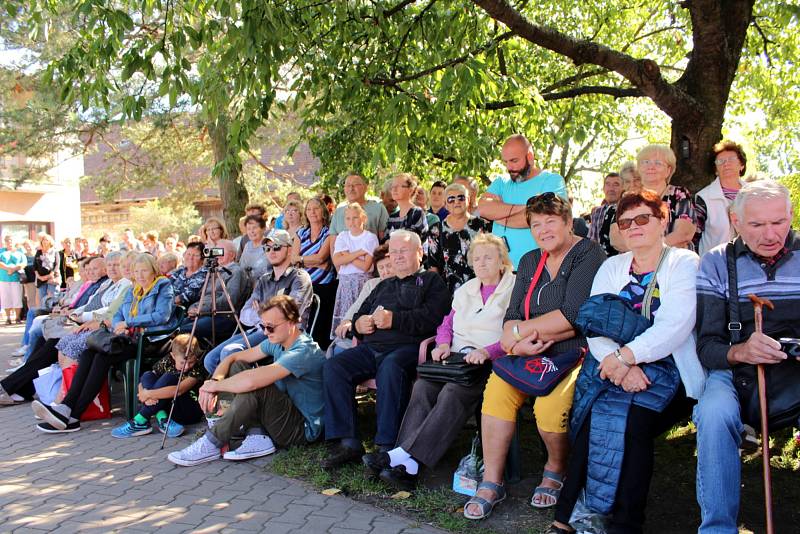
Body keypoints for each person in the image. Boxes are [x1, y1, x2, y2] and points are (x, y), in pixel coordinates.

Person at [548, 190, 703, 534]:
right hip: (615, 369)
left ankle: (625, 523)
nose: (634, 227)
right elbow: (593, 324)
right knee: (592, 416)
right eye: (625, 222)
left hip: (670, 368)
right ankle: (569, 518)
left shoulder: (683, 262)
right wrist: (620, 366)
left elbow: (676, 324)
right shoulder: (612, 266)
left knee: (633, 424)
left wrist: (626, 356)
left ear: (663, 221)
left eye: (643, 218)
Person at [464, 193, 605, 520]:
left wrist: (519, 334)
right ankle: (491, 481)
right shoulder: (529, 261)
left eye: (551, 221)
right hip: (526, 354)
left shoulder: (588, 253)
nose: (543, 230)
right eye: (536, 224)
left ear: (568, 222)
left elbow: (572, 317)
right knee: (495, 396)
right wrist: (516, 343)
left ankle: (556, 468)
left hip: (573, 354)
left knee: (549, 410)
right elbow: (510, 317)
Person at [364, 234, 515, 490]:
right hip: (455, 360)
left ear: (502, 261)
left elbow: (516, 332)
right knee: (423, 387)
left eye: (488, 257)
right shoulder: (467, 288)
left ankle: (403, 458)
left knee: (453, 393)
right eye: (476, 258)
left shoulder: (514, 288)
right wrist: (443, 343)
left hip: (490, 361)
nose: (481, 263)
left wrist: (489, 351)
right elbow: (446, 323)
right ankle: (406, 465)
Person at [693, 180, 799, 533]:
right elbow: (707, 347)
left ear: (791, 215)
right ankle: (717, 528)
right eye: (756, 225)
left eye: (779, 222)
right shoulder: (716, 263)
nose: (771, 234)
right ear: (735, 221)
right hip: (736, 370)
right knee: (713, 411)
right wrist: (741, 350)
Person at [321, 230, 451, 469]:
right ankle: (347, 442)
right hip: (372, 348)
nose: (398, 256)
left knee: (391, 367)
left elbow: (435, 318)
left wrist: (395, 320)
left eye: (404, 251)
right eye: (394, 252)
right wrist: (359, 324)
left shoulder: (432, 282)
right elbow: (361, 312)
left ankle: (386, 446)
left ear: (419, 253)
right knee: (335, 366)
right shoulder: (383, 285)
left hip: (409, 347)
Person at [167, 295, 325, 465]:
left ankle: (212, 442)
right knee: (239, 366)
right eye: (263, 326)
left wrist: (215, 386)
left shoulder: (303, 351)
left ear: (292, 322)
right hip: (283, 412)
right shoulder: (279, 341)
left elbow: (251, 382)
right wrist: (212, 382)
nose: (265, 332)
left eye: (270, 327)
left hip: (301, 430)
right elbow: (233, 358)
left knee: (256, 384)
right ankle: (256, 435)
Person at [31, 253, 178, 432]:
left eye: (144, 270)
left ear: (153, 271)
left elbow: (162, 315)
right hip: (129, 338)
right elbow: (117, 316)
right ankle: (66, 408)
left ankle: (74, 416)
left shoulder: (163, 286)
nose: (140, 275)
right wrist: (119, 326)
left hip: (151, 341)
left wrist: (130, 322)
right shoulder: (134, 288)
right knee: (89, 352)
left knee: (102, 357)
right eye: (136, 271)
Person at [203, 230, 313, 374]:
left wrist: (261, 310)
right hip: (258, 330)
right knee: (210, 359)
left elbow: (290, 313)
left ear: (289, 249)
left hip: (282, 335)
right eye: (267, 248)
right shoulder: (264, 280)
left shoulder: (299, 277)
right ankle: (237, 391)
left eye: (277, 247)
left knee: (229, 352)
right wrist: (269, 313)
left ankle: (245, 393)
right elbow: (244, 314)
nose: (271, 251)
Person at [478, 134, 568, 268]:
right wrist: (526, 208)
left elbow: (543, 217)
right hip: (501, 272)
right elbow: (484, 208)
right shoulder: (501, 182)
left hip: (540, 269)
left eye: (514, 161)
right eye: (506, 162)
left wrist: (499, 216)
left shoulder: (552, 181)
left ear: (530, 157)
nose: (509, 167)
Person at [111, 334, 206, 438]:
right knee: (148, 375)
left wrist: (148, 394)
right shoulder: (168, 360)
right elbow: (145, 379)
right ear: (173, 356)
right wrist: (142, 392)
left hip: (188, 410)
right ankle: (163, 420)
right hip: (168, 406)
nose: (187, 367)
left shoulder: (198, 368)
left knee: (170, 377)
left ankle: (140, 420)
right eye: (182, 363)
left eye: (191, 362)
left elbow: (178, 390)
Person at [330, 244, 392, 357]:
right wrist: (348, 320)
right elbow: (357, 306)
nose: (386, 271)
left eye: (389, 266)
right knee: (338, 348)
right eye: (381, 268)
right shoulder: (372, 284)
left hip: (382, 336)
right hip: (363, 329)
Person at [178, 240, 245, 344]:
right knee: (175, 327)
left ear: (232, 255)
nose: (217, 254)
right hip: (204, 313)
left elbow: (229, 301)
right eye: (215, 251)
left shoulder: (236, 272)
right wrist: (194, 308)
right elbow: (202, 295)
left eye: (220, 251)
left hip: (223, 316)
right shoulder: (215, 270)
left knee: (183, 330)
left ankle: (193, 357)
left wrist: (201, 309)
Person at [292, 196, 337, 350]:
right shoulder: (301, 233)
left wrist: (303, 260)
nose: (312, 212)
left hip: (323, 285)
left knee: (318, 327)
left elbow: (322, 258)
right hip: (303, 283)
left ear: (323, 212)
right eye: (309, 209)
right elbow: (293, 258)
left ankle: (317, 352)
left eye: (316, 208)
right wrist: (317, 262)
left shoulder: (329, 232)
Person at [330, 203, 379, 338]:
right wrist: (359, 252)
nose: (352, 222)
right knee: (345, 316)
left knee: (359, 313)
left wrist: (346, 255)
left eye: (355, 218)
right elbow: (337, 261)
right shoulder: (342, 236)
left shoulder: (370, 237)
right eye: (348, 218)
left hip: (363, 282)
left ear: (363, 218)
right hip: (345, 283)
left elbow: (365, 266)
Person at [429, 182, 487, 292]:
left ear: (468, 200)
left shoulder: (482, 225)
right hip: (448, 291)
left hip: (480, 287)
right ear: (445, 204)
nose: (456, 202)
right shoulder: (435, 230)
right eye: (451, 199)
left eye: (461, 198)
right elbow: (433, 266)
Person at [636, 144, 696, 249]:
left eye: (658, 163)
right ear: (639, 168)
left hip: (673, 260)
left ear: (668, 170)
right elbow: (616, 238)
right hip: (637, 261)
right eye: (646, 162)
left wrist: (652, 250)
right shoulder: (630, 199)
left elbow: (684, 233)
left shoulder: (679, 194)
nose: (651, 167)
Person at [694, 139, 746, 255]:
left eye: (731, 159)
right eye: (720, 161)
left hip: (750, 263)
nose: (726, 164)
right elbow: (694, 237)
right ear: (716, 170)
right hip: (714, 265)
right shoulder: (704, 198)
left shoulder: (755, 193)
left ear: (741, 165)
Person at [329, 173, 389, 248]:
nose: (351, 188)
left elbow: (384, 240)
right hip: (343, 258)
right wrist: (336, 259)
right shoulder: (338, 212)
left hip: (370, 256)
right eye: (347, 185)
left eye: (355, 184)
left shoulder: (378, 208)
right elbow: (333, 245)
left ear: (365, 187)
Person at [384, 174, 428, 243]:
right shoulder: (392, 217)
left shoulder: (416, 213)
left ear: (410, 190)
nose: (394, 189)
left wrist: (390, 243)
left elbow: (409, 242)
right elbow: (384, 242)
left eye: (399, 186)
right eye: (393, 186)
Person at [588, 172, 623, 256]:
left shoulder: (628, 211)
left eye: (616, 184)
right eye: (608, 184)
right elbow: (592, 242)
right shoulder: (597, 212)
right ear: (603, 188)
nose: (611, 188)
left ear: (623, 188)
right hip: (602, 261)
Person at [171, 242, 206, 308]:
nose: (191, 257)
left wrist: (166, 302)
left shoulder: (203, 273)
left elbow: (189, 295)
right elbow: (167, 286)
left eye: (195, 255)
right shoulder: (180, 270)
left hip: (185, 311)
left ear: (202, 258)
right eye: (188, 254)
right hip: (169, 305)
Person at [237, 214, 269, 286]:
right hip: (246, 286)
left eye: (254, 228)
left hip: (263, 285)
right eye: (249, 229)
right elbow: (241, 266)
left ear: (263, 229)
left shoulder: (269, 245)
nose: (251, 231)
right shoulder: (247, 245)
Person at [0, 235, 26, 324]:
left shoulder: (19, 252)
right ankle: (8, 318)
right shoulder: (1, 251)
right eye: (7, 240)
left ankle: (17, 317)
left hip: (16, 278)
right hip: (4, 278)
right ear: (5, 242)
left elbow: (24, 263)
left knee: (17, 297)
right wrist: (8, 268)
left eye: (11, 240)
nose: (9, 242)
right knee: (5, 298)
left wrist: (14, 269)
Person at [33, 233, 61, 303]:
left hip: (52, 278)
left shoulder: (55, 252)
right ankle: (43, 312)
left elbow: (57, 265)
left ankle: (53, 312)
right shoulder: (38, 252)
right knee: (42, 299)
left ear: (50, 241)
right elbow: (35, 265)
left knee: (53, 298)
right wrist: (39, 277)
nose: (45, 241)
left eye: (47, 240)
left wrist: (50, 275)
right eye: (43, 240)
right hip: (41, 279)